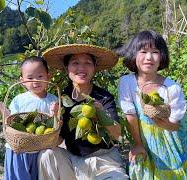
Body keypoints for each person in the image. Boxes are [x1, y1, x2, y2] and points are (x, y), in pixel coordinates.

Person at [39, 44, 129, 180]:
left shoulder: (103, 97)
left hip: (104, 161)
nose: (81, 68)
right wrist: (55, 121)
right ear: (66, 68)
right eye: (75, 63)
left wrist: (101, 113)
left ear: (94, 67)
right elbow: (59, 140)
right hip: (73, 161)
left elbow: (117, 134)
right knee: (46, 156)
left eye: (87, 63)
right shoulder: (63, 98)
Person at [117, 30, 187, 179]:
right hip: (143, 139)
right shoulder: (127, 83)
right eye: (143, 51)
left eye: (155, 52)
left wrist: (158, 119)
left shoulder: (172, 88)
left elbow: (175, 126)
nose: (149, 57)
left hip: (170, 141)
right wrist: (138, 144)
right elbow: (131, 115)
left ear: (162, 57)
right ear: (134, 55)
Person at [0, 56, 58, 180]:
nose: (36, 81)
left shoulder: (53, 100)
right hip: (18, 151)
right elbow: (10, 120)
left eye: (40, 76)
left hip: (39, 152)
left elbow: (56, 125)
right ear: (22, 81)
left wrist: (55, 113)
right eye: (30, 78)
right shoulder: (20, 99)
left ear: (48, 77)